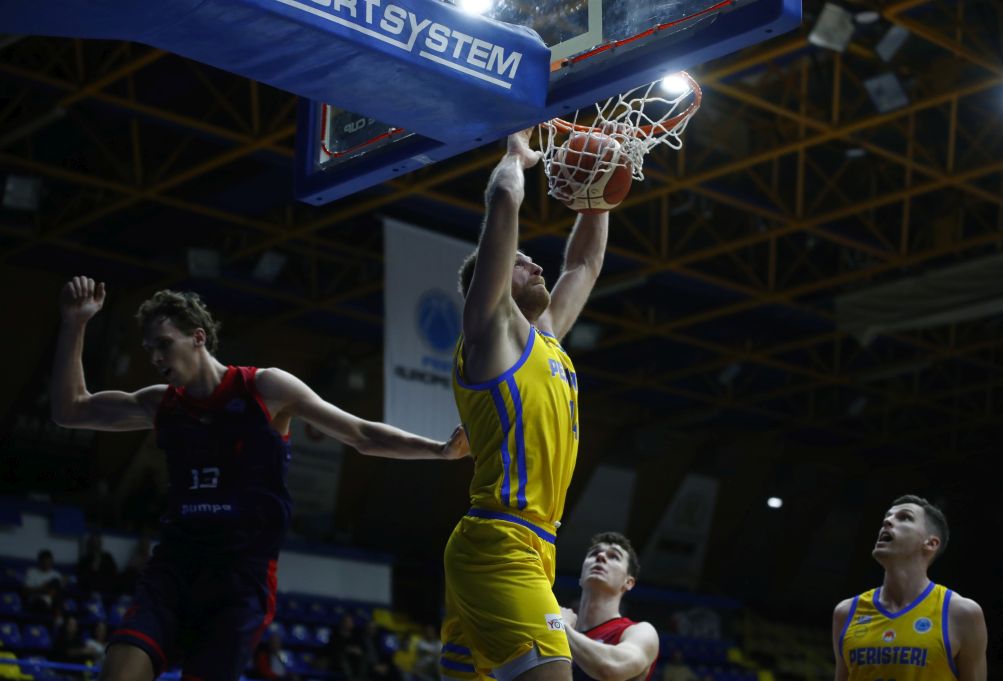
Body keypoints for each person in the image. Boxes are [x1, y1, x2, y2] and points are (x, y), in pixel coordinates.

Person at [51, 277, 469, 681]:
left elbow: (359, 434)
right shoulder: (161, 404)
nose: (157, 358)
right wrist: (75, 322)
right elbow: (71, 410)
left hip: (240, 580)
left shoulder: (264, 388)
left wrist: (438, 449)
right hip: (174, 571)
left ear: (198, 337)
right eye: (149, 350)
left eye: (164, 344)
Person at [440, 128, 610, 681]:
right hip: (501, 544)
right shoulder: (490, 331)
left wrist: (597, 198)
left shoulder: (548, 339)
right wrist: (515, 155)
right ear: (489, 283)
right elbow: (504, 200)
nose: (536, 265)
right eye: (522, 261)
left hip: (532, 545)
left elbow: (582, 266)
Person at [831, 495, 987, 681]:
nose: (887, 521)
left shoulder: (962, 613)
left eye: (905, 517)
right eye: (887, 517)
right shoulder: (846, 612)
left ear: (930, 543)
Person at [559, 533, 659, 681]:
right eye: (593, 554)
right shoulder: (559, 624)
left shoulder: (641, 631)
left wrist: (561, 626)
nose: (600, 556)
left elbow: (611, 669)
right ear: (581, 577)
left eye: (614, 556)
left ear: (628, 582)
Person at [22, 549, 65, 614]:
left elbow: (60, 591)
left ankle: (57, 614)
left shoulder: (56, 574)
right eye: (44, 561)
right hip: (36, 600)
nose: (47, 563)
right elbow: (26, 590)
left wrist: (48, 588)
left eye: (49, 561)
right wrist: (41, 589)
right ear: (40, 561)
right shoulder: (32, 572)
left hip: (52, 601)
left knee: (56, 582)